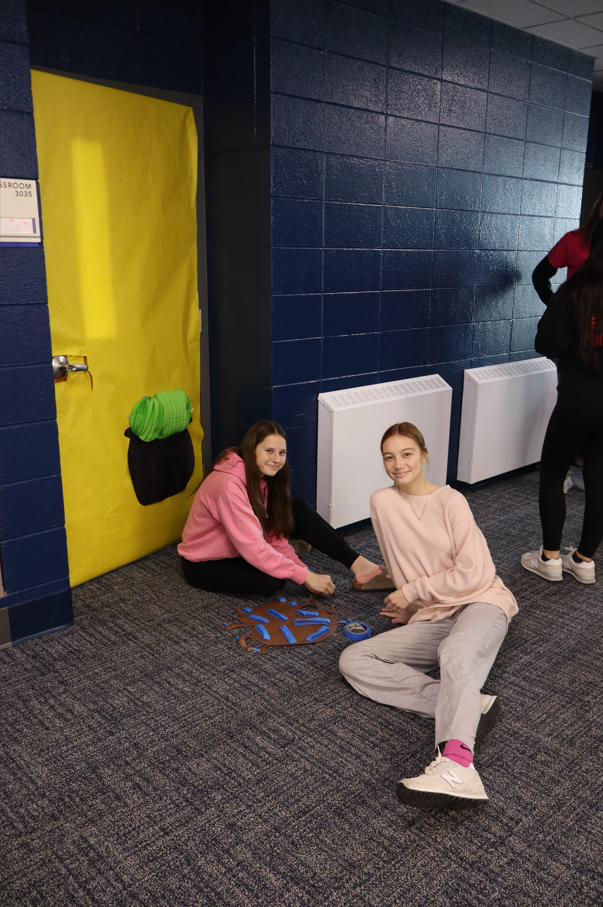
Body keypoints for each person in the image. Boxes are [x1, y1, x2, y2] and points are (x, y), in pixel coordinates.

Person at [339, 422, 518, 810]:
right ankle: (470, 702)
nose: (398, 463)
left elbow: (475, 572)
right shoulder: (382, 502)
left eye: (406, 454)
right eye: (389, 456)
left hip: (481, 601)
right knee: (354, 660)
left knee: (455, 654)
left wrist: (413, 593)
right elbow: (399, 561)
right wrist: (412, 607)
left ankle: (458, 767)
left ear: (424, 456)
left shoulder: (451, 501)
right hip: (434, 613)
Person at [179, 420, 388, 596]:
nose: (276, 459)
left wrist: (302, 570)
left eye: (282, 452)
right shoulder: (227, 487)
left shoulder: (263, 476)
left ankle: (361, 566)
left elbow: (271, 532)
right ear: (252, 450)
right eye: (269, 451)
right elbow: (253, 547)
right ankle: (280, 560)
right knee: (273, 581)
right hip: (206, 563)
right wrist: (306, 576)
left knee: (298, 508)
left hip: (243, 544)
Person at [521, 218, 603, 586]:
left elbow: (547, 345)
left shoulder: (576, 291)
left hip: (578, 400)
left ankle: (550, 559)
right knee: (600, 480)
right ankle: (584, 561)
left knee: (554, 474)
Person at [532, 192, 603, 306]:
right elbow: (540, 275)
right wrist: (556, 307)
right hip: (579, 319)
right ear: (599, 205)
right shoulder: (574, 240)